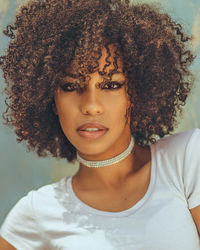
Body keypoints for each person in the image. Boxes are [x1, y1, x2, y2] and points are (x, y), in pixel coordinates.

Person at [0, 0, 199, 249]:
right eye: (70, 86)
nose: (91, 106)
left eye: (111, 85)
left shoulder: (188, 159)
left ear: (136, 93)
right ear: (51, 100)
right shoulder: (36, 213)